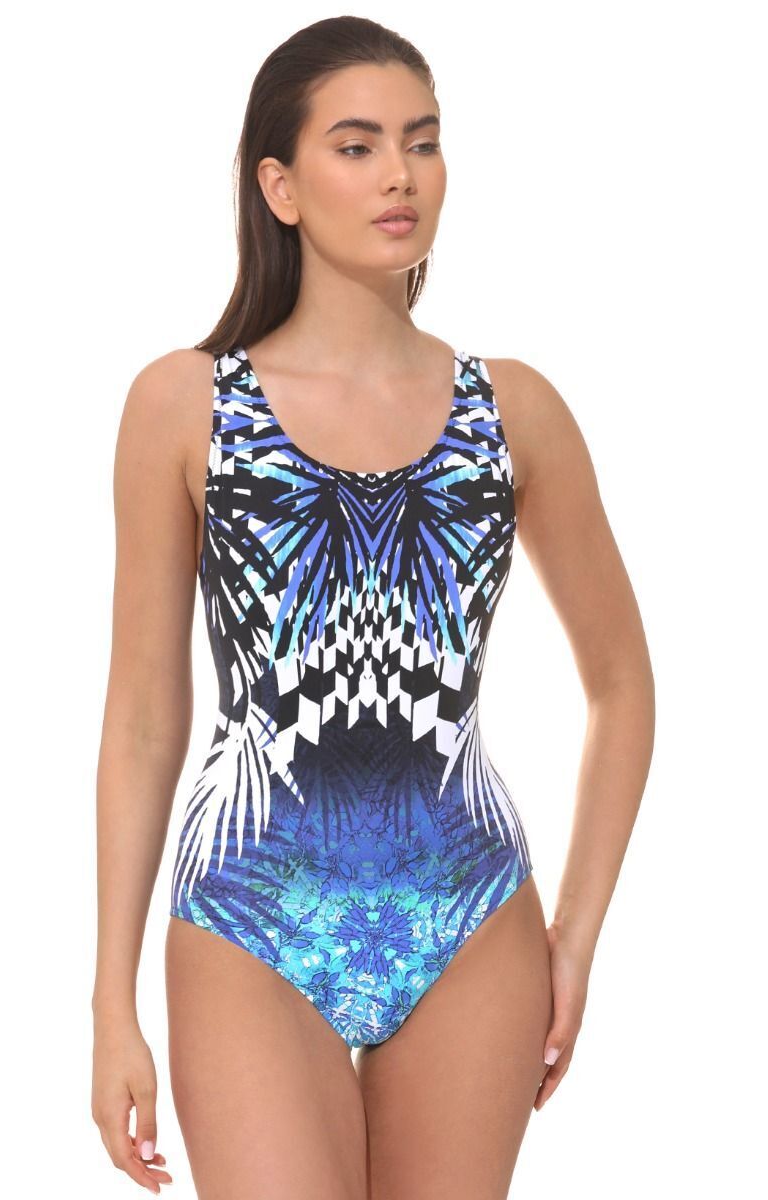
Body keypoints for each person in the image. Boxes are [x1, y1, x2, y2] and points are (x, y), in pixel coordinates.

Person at [91, 15, 655, 1200]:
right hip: (249, 910)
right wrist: (109, 999)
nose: (399, 173)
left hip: (470, 913)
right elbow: (143, 716)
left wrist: (572, 939)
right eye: (356, 146)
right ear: (280, 186)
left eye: (421, 141)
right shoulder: (183, 406)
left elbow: (620, 683)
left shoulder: (513, 411)